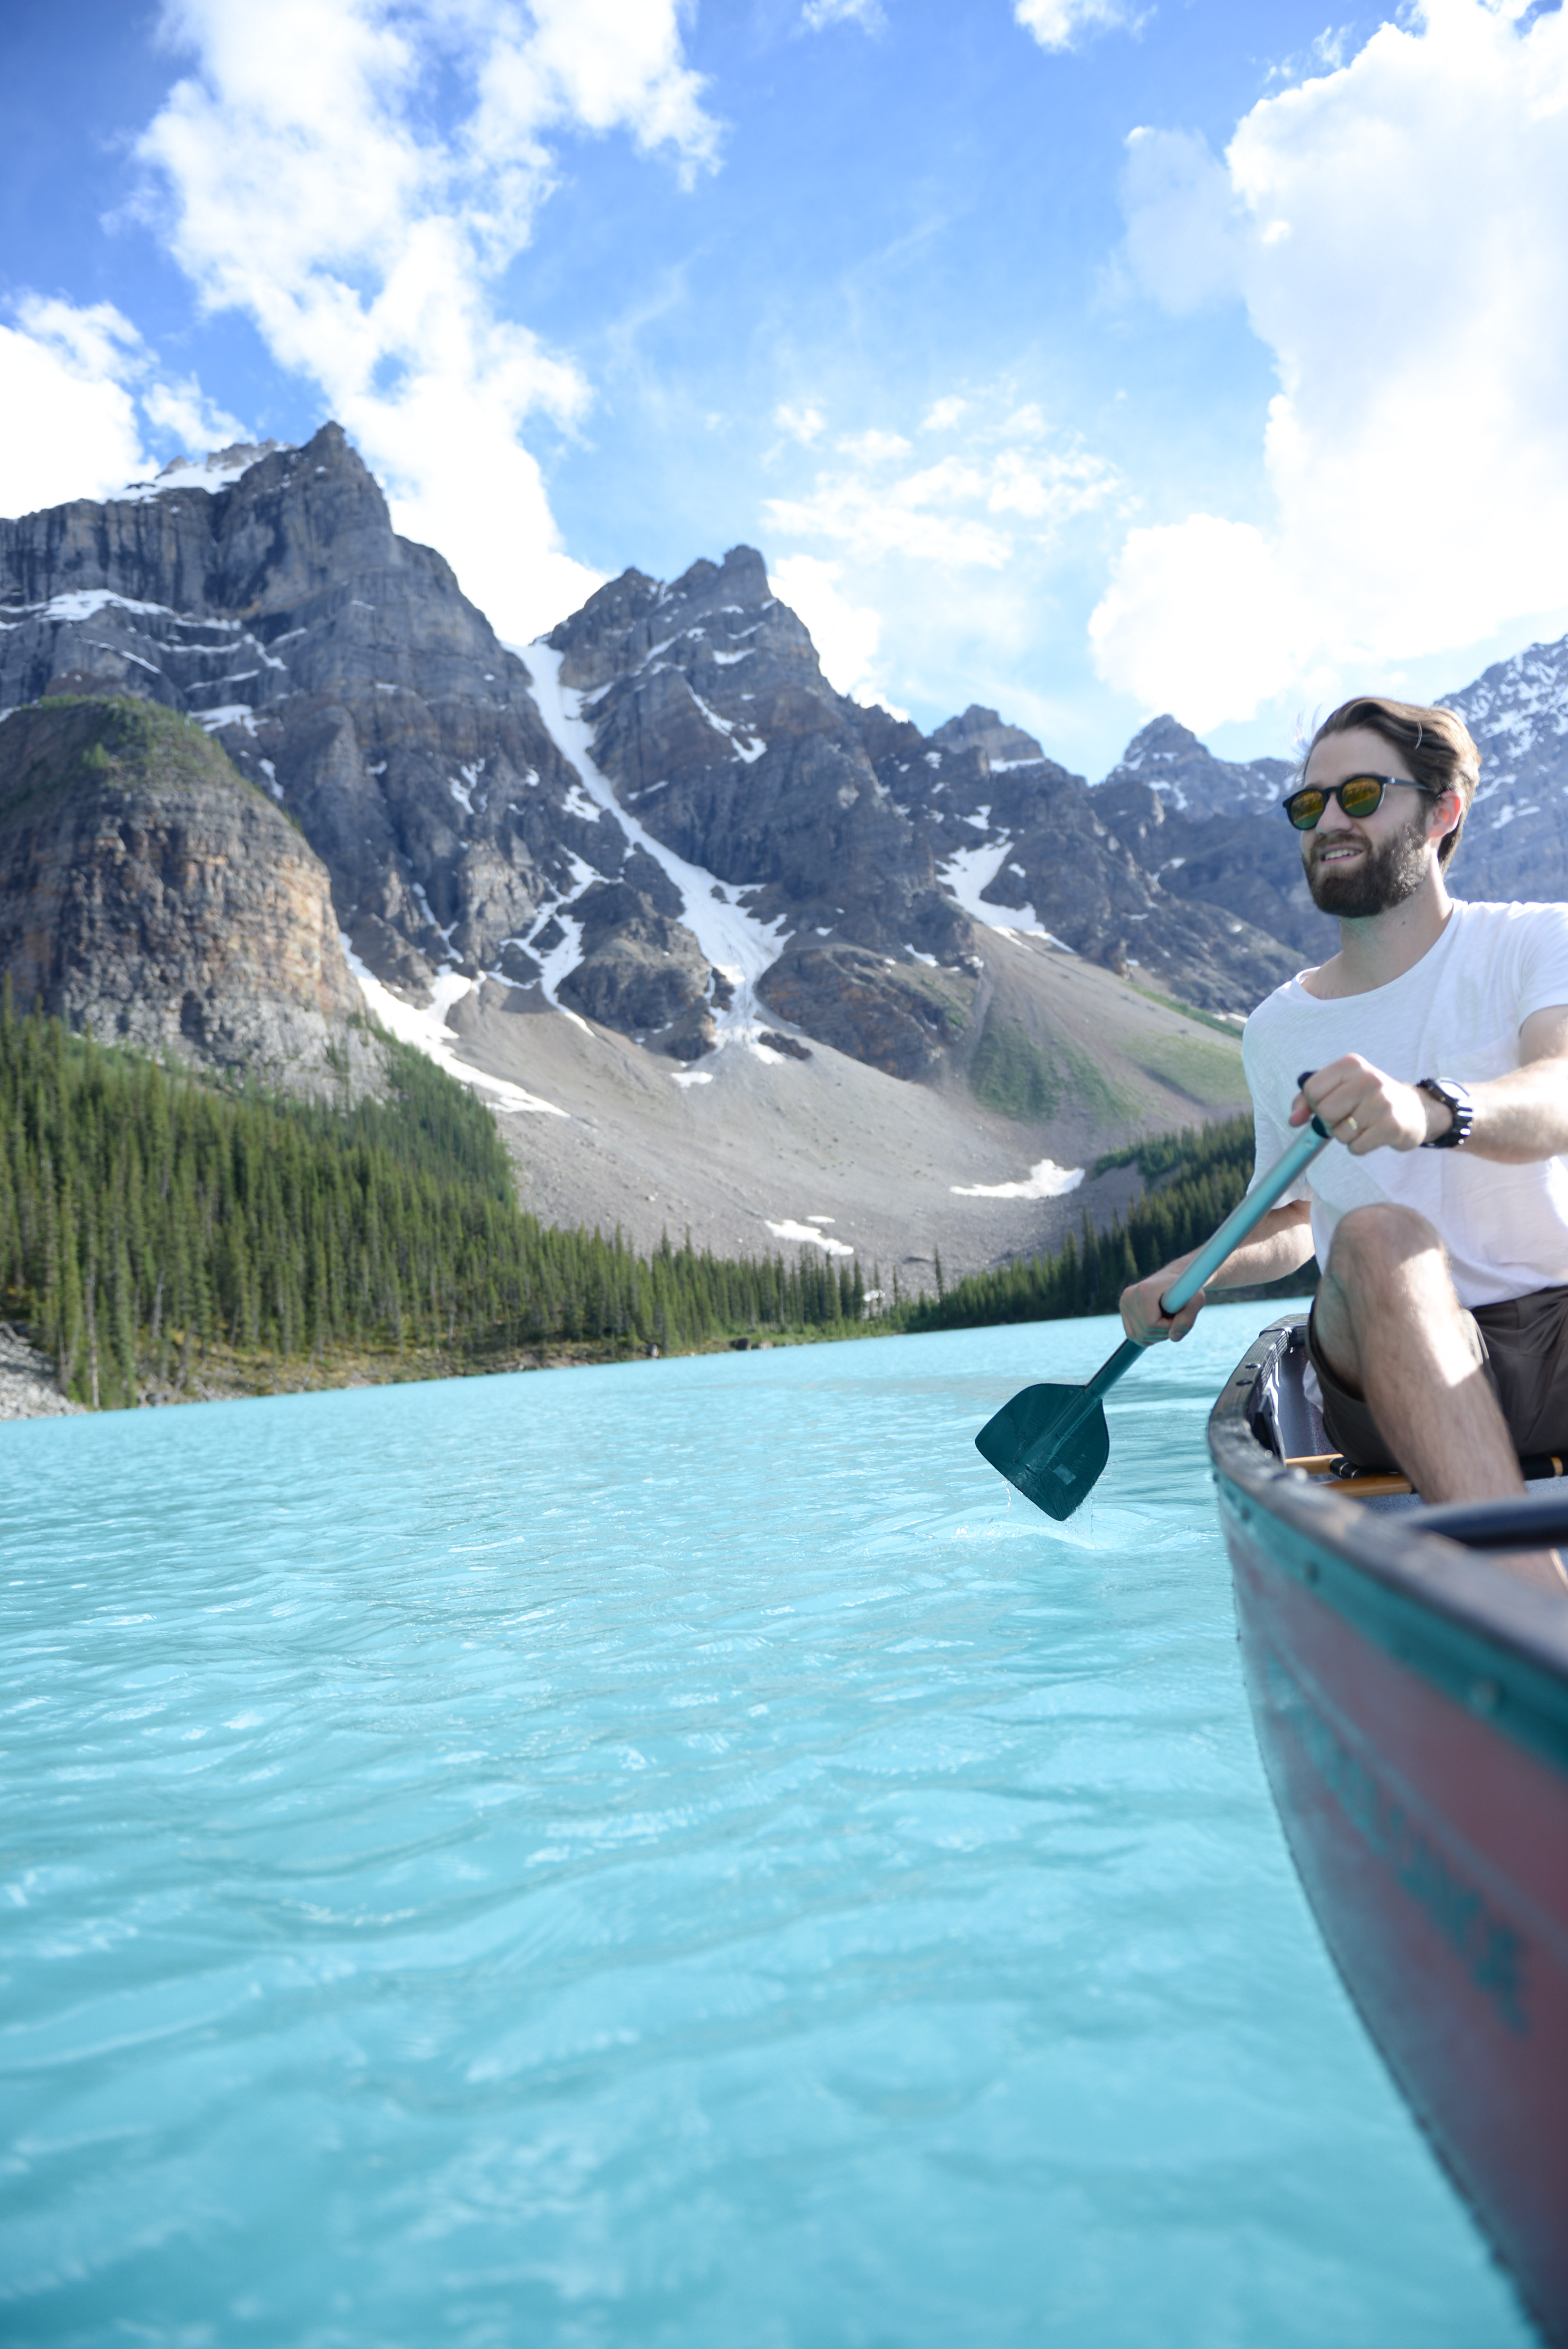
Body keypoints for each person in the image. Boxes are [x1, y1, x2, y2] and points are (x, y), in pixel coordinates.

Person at [1118, 693, 1568, 1594]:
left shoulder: (1534, 940)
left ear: (1443, 812)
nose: (1327, 820)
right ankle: (1540, 1618)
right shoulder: (1277, 1028)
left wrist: (1430, 1110)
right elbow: (1293, 1215)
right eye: (1308, 804)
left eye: (1359, 795)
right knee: (1373, 1231)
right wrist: (1193, 1268)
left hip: (1556, 1333)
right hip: (1385, 1362)